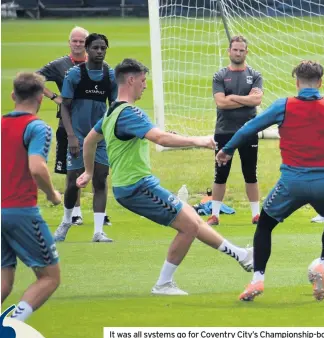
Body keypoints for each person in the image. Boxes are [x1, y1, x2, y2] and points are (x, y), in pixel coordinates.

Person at [76, 58, 254, 295]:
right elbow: (160, 138)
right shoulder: (129, 112)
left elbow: (89, 141)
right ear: (131, 80)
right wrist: (198, 140)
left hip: (134, 186)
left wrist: (88, 171)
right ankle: (163, 284)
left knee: (192, 218)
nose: (145, 85)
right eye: (142, 80)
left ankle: (242, 255)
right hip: (136, 187)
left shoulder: (111, 111)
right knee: (189, 226)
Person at [216, 60, 324, 302]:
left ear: (297, 83)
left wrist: (228, 149)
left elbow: (249, 127)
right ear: (321, 82)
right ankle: (323, 264)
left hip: (290, 184)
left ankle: (258, 280)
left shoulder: (283, 105)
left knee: (264, 225)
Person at [1, 72, 62, 321]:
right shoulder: (38, 128)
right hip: (21, 211)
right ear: (41, 98)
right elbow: (37, 167)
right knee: (49, 277)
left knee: (4, 279)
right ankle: (13, 327)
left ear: (13, 95)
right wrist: (52, 194)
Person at [38, 26, 112, 227]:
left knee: (100, 174)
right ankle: (74, 214)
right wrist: (55, 97)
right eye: (75, 41)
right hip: (69, 124)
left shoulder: (106, 71)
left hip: (96, 130)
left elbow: (113, 103)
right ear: (70, 42)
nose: (78, 44)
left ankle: (99, 219)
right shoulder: (62, 66)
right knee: (73, 173)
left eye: (82, 41)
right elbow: (34, 78)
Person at [54, 33, 118, 243]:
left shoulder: (110, 76)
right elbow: (65, 105)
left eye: (103, 48)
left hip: (100, 137)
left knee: (100, 179)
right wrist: (71, 135)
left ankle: (98, 231)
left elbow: (115, 108)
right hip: (78, 136)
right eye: (96, 48)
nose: (99, 51)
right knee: (73, 181)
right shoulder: (75, 75)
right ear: (87, 50)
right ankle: (66, 221)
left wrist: (112, 134)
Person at [208, 35, 263, 226]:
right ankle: (215, 215)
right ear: (229, 51)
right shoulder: (220, 75)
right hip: (224, 131)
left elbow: (257, 100)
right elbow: (221, 103)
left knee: (250, 173)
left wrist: (232, 97)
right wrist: (245, 98)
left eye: (241, 50)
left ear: (246, 52)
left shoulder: (255, 75)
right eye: (235, 50)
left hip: (249, 130)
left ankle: (256, 215)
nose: (238, 53)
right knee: (220, 173)